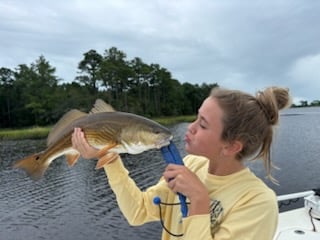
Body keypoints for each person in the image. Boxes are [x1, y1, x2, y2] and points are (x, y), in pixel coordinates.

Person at [71, 86, 291, 240]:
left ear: (231, 146)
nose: (190, 128)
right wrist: (109, 156)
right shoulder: (190, 165)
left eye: (203, 125)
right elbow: (137, 212)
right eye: (196, 117)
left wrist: (199, 199)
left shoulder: (258, 202)